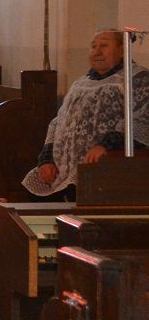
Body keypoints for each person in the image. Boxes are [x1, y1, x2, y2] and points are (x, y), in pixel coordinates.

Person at [22, 30, 149, 199]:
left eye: (104, 46)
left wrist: (106, 145)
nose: (97, 52)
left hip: (104, 166)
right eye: (93, 47)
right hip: (60, 170)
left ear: (122, 50)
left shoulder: (137, 79)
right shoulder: (80, 83)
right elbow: (57, 122)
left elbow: (140, 120)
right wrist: (46, 159)